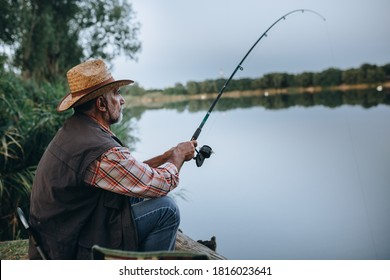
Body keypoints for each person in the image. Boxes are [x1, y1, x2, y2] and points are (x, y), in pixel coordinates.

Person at [28, 59, 197, 259]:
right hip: (71, 250)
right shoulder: (98, 148)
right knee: (166, 209)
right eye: (116, 94)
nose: (122, 100)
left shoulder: (75, 131)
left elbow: (128, 175)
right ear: (101, 104)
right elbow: (160, 185)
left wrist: (165, 156)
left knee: (134, 194)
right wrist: (178, 157)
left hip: (58, 238)